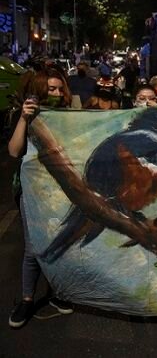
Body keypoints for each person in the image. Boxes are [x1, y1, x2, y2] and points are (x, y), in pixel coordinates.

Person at [8, 68, 74, 328]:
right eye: (51, 89)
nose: (56, 93)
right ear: (38, 91)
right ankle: (27, 300)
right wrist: (24, 119)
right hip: (31, 191)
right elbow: (14, 151)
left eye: (60, 88)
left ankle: (58, 292)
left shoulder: (68, 115)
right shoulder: (26, 114)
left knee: (60, 242)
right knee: (33, 246)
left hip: (60, 190)